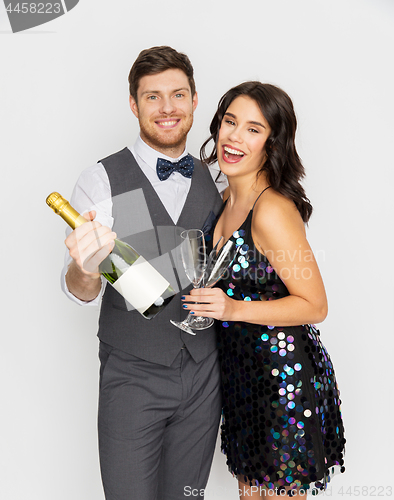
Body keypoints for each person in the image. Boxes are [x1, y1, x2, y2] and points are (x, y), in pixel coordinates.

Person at [61, 46, 223, 500]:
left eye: (178, 95)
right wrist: (85, 270)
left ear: (194, 101)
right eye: (153, 97)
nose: (167, 108)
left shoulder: (222, 179)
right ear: (134, 105)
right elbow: (80, 290)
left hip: (204, 376)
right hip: (132, 376)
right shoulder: (101, 180)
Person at [181, 82, 346, 498]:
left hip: (282, 381)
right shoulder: (223, 198)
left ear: (272, 143)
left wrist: (231, 309)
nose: (235, 136)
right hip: (242, 380)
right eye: (230, 122)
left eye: (253, 129)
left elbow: (315, 304)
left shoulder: (271, 208)